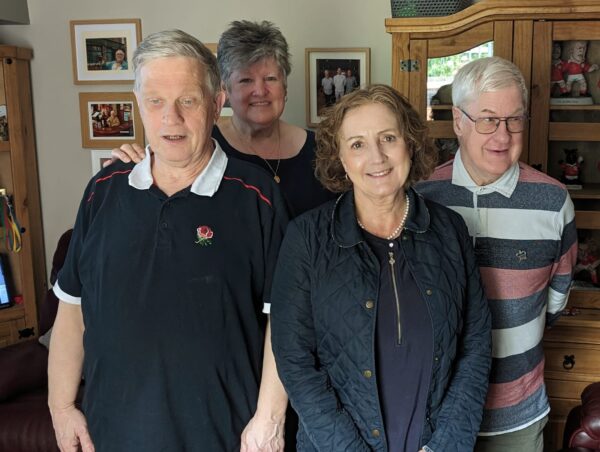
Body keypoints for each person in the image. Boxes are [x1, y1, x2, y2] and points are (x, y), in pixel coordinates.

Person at [48, 29, 289, 452]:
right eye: (155, 101)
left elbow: (285, 323)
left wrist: (268, 420)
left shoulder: (258, 198)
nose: (170, 118)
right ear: (138, 104)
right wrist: (61, 407)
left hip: (225, 437)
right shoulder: (102, 190)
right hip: (111, 434)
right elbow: (72, 309)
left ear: (216, 105)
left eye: (188, 101)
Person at [270, 84, 492, 451]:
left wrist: (446, 446)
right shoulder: (306, 238)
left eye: (388, 138)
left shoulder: (450, 231)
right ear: (339, 157)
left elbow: (475, 346)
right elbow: (294, 360)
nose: (377, 157)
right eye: (357, 144)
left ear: (409, 143)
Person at [416, 56, 577, 452]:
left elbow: (552, 305)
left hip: (517, 417)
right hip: (434, 417)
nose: (502, 136)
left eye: (514, 119)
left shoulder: (554, 202)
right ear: (458, 121)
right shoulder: (421, 197)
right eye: (487, 119)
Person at [111, 20, 335, 218]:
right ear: (224, 91)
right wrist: (128, 161)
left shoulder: (322, 149)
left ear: (284, 85)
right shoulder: (195, 145)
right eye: (246, 80)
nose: (260, 90)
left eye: (270, 78)